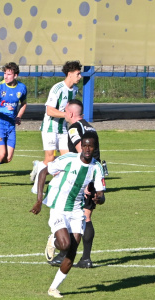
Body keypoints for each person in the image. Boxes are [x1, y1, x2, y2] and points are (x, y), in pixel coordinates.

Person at [30, 132, 106, 298]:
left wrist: (98, 198)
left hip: (77, 211)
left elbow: (101, 196)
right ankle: (53, 239)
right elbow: (43, 172)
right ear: (81, 146)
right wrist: (39, 200)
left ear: (94, 148)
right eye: (84, 145)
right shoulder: (69, 159)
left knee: (72, 250)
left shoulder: (96, 167)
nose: (87, 149)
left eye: (90, 146)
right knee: (64, 245)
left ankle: (53, 288)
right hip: (58, 207)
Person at [48, 99, 102, 268]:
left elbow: (81, 152)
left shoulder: (74, 128)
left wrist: (85, 181)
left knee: (80, 215)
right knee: (86, 216)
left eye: (65, 112)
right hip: (95, 171)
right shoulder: (89, 126)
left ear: (70, 113)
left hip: (84, 175)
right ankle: (85, 258)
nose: (65, 115)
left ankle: (64, 252)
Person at [30, 60, 82, 187]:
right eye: (78, 74)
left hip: (63, 128)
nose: (80, 77)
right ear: (70, 74)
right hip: (50, 128)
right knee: (50, 159)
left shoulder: (75, 90)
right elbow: (49, 110)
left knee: (67, 159)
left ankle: (61, 184)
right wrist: (66, 115)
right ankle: (37, 187)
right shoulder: (57, 88)